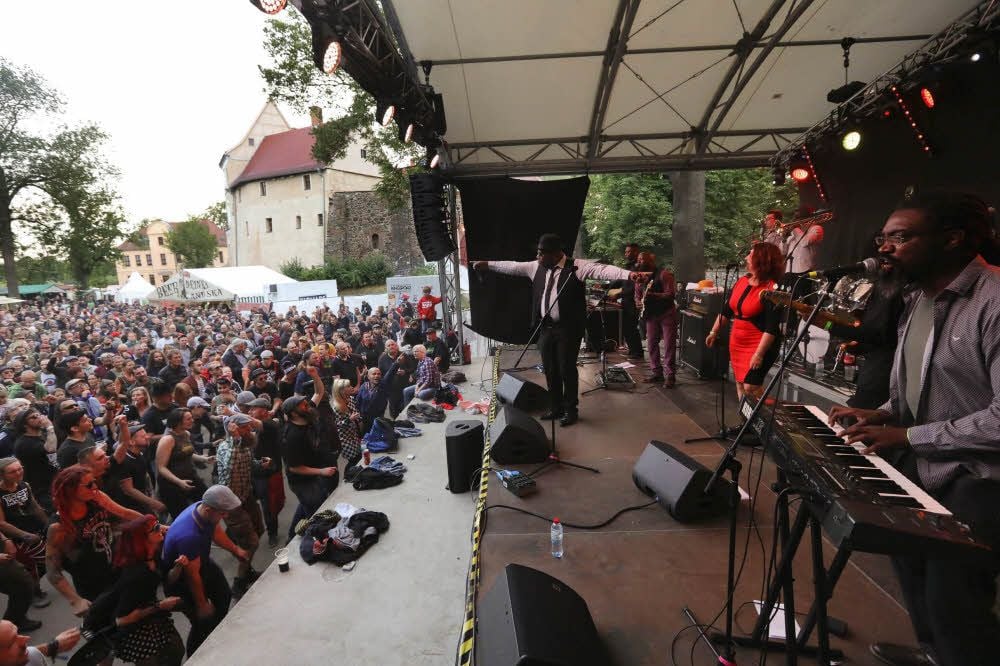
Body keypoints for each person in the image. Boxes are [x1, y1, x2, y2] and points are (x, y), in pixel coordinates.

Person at [827, 192, 1000, 666]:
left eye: (900, 237)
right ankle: (934, 655)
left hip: (981, 481)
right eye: (883, 237)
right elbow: (920, 386)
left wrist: (905, 436)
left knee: (956, 600)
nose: (885, 247)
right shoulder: (916, 299)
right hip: (926, 463)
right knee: (912, 568)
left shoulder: (994, 301)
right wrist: (884, 413)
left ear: (951, 240)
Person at [472, 232, 644, 426]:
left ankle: (571, 410)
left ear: (554, 254)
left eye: (540, 253)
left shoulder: (577, 267)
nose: (537, 257)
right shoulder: (535, 267)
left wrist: (628, 274)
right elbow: (512, 266)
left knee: (566, 369)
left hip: (568, 329)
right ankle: (556, 407)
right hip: (546, 328)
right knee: (551, 369)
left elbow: (603, 270)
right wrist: (486, 264)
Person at [161, 485, 248, 657]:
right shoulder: (188, 536)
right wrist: (201, 604)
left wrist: (235, 550)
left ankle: (219, 633)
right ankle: (196, 656)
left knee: (224, 595)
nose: (226, 516)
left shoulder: (203, 509)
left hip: (201, 562)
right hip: (183, 581)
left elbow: (214, 530)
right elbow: (191, 575)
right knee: (203, 621)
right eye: (223, 513)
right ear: (209, 509)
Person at [45, 465, 142, 617]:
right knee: (112, 623)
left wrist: (153, 525)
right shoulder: (59, 526)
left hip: (117, 569)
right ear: (71, 490)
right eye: (89, 484)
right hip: (94, 586)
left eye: (95, 481)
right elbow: (52, 568)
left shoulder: (97, 498)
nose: (95, 487)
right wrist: (75, 600)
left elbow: (124, 513)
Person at [705, 241, 785, 401]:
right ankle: (745, 421)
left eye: (751, 253)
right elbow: (727, 310)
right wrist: (714, 331)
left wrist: (759, 354)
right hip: (738, 340)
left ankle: (766, 419)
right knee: (740, 383)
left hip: (760, 343)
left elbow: (771, 328)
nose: (747, 256)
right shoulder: (742, 281)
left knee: (751, 386)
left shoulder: (772, 289)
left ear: (761, 260)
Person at [106, 515, 185, 666]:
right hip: (135, 630)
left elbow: (166, 579)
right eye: (155, 528)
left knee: (176, 651)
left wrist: (178, 567)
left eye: (158, 524)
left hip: (152, 615)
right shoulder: (135, 575)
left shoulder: (152, 556)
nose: (160, 528)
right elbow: (121, 619)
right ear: (142, 538)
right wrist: (159, 606)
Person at [214, 413, 268, 598]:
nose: (250, 430)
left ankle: (247, 567)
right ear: (234, 429)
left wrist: (260, 464)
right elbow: (230, 467)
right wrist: (235, 438)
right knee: (251, 542)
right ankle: (239, 582)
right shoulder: (225, 447)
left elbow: (247, 462)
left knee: (259, 529)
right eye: (245, 427)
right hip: (231, 504)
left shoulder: (245, 445)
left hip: (246, 496)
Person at [282, 375, 338, 542]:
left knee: (305, 504)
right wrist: (322, 471)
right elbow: (294, 467)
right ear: (294, 412)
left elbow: (319, 392)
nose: (308, 405)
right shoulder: (291, 437)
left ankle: (291, 535)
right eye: (304, 405)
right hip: (302, 481)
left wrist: (315, 375)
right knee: (315, 508)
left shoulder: (306, 414)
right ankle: (314, 537)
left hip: (315, 473)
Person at [0, 459, 48, 609]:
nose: (18, 472)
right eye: (13, 471)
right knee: (28, 566)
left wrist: (48, 524)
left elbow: (34, 507)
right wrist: (25, 535)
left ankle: (34, 588)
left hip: (34, 531)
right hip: (16, 537)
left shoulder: (25, 485)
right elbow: (1, 523)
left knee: (46, 561)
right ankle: (33, 592)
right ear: (2, 475)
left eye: (20, 468)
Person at [155, 409, 211, 520]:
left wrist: (204, 459)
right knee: (181, 516)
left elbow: (188, 453)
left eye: (191, 418)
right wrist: (179, 482)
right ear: (178, 422)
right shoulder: (168, 439)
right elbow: (161, 467)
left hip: (190, 477)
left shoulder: (187, 434)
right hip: (172, 484)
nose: (192, 420)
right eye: (188, 419)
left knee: (206, 502)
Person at [244, 397, 284, 547]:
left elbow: (256, 423)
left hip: (268, 474)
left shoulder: (270, 424)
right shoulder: (257, 425)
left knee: (269, 506)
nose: (250, 411)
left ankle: (272, 533)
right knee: (247, 503)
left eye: (253, 409)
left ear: (263, 410)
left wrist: (230, 412)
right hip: (255, 471)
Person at [635, 252, 678, 387]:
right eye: (638, 260)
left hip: (666, 313)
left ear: (651, 260)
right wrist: (638, 302)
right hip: (651, 314)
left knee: (669, 344)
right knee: (651, 343)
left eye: (642, 259)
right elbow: (637, 295)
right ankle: (657, 372)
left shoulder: (664, 274)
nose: (639, 261)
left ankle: (670, 375)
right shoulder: (639, 277)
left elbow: (670, 294)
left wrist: (653, 295)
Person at [0, 620, 80, 666]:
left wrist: (52, 647)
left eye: (17, 633)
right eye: (11, 644)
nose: (26, 639)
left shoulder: (32, 654)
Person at [331, 379, 363, 466]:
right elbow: (336, 426)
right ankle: (348, 477)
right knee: (354, 460)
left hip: (355, 435)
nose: (351, 387)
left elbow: (355, 412)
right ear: (341, 390)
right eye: (348, 386)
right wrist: (350, 419)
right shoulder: (336, 407)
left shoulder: (351, 399)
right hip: (345, 439)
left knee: (359, 457)